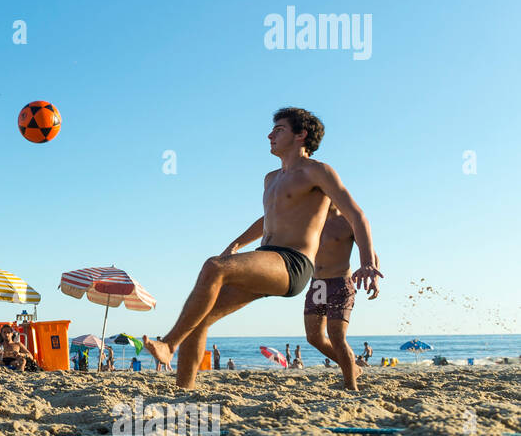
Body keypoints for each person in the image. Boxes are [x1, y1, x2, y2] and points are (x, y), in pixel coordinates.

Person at [143, 108, 381, 389]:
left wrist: (367, 262)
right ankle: (184, 391)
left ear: (300, 135)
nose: (270, 135)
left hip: (293, 263)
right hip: (266, 259)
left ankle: (169, 344)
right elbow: (267, 219)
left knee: (213, 267)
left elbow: (357, 214)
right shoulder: (271, 178)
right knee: (199, 319)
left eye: (279, 129)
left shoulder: (317, 171)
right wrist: (237, 243)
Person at [299, 204, 381, 389]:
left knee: (336, 337)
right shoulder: (311, 220)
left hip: (340, 283)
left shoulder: (348, 221)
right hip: (317, 284)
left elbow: (372, 255)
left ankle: (351, 386)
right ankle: (353, 367)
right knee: (314, 337)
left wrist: (374, 278)